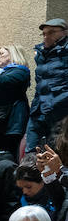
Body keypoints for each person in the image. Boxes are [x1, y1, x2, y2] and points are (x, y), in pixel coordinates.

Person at [24, 18, 68, 153]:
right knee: (31, 151)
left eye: (51, 32)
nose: (46, 36)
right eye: (44, 33)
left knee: (57, 152)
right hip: (38, 110)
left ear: (65, 33)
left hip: (60, 112)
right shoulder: (41, 53)